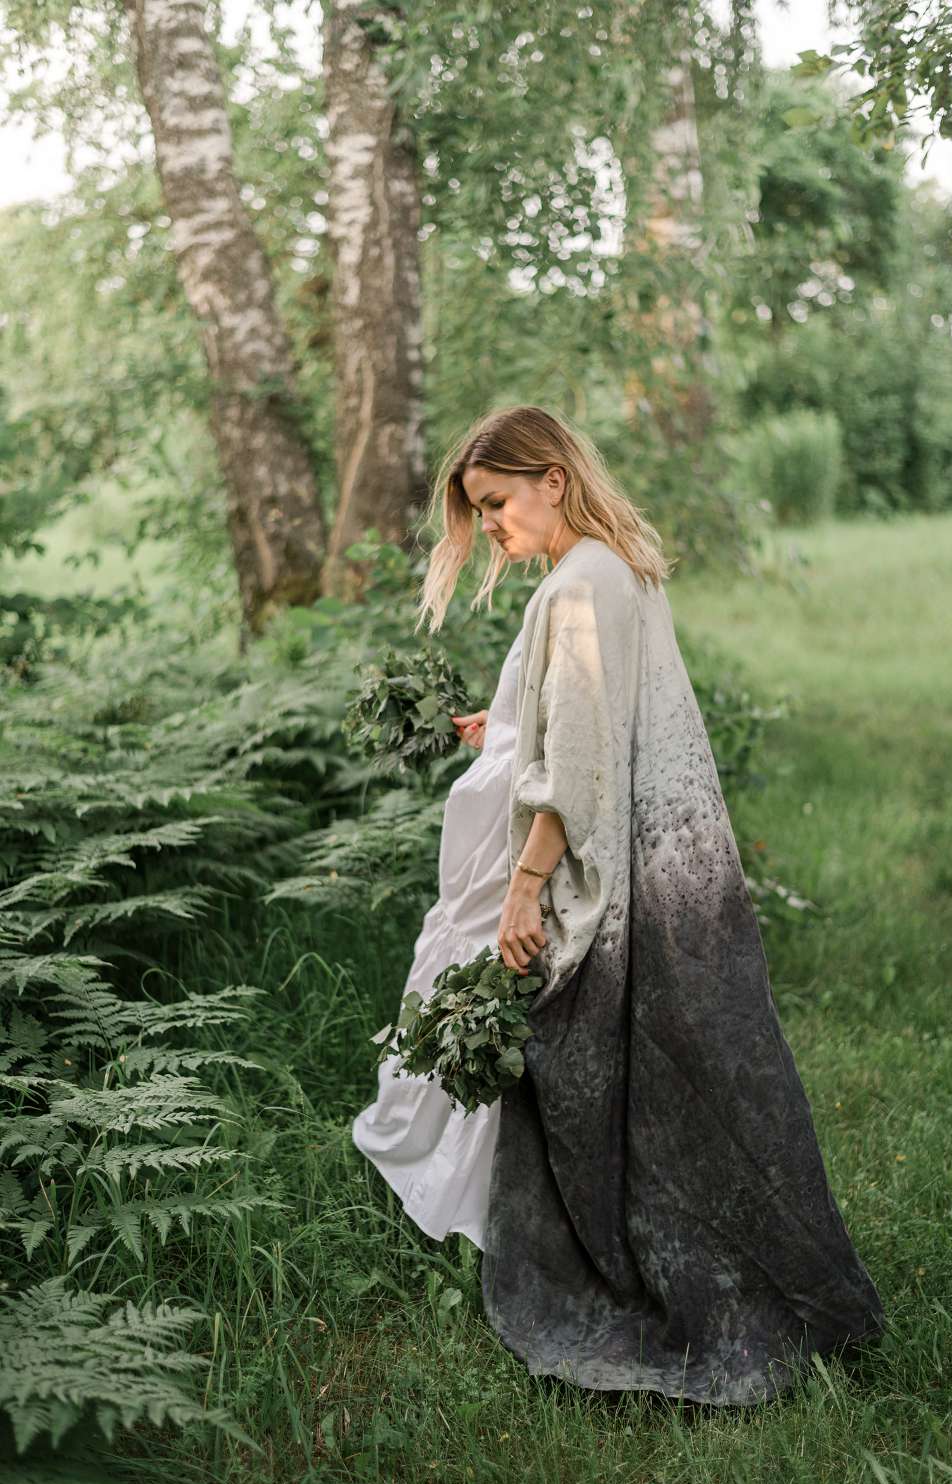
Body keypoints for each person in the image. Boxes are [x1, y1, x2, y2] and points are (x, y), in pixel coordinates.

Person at [353, 404, 884, 1405]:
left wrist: (522, 887)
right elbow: (575, 717)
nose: (497, 528)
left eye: (498, 503)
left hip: (572, 863)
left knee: (512, 1060)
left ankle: (586, 1258)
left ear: (551, 478)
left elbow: (583, 764)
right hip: (634, 864)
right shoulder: (615, 567)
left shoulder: (579, 589)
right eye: (481, 511)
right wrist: (497, 726)